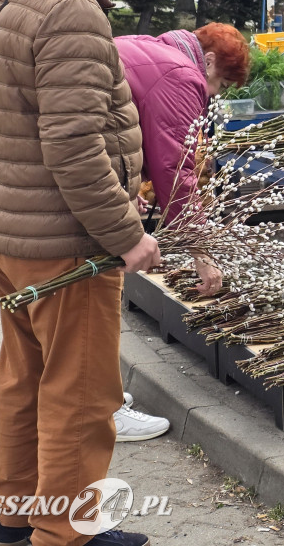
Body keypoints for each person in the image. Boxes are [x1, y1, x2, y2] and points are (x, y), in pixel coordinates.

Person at [0, 0, 163, 546]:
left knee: (25, 384)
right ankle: (66, 535)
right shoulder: (71, 9)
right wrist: (128, 236)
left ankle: (16, 523)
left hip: (8, 237)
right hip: (65, 246)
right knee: (81, 400)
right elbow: (75, 150)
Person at [109, 22, 249, 443]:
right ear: (207, 62)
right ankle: (102, 411)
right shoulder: (182, 76)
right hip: (79, 201)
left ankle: (99, 395)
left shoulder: (152, 47)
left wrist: (134, 183)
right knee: (93, 302)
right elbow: (177, 173)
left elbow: (140, 129)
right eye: (221, 83)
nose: (216, 95)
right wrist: (201, 252)